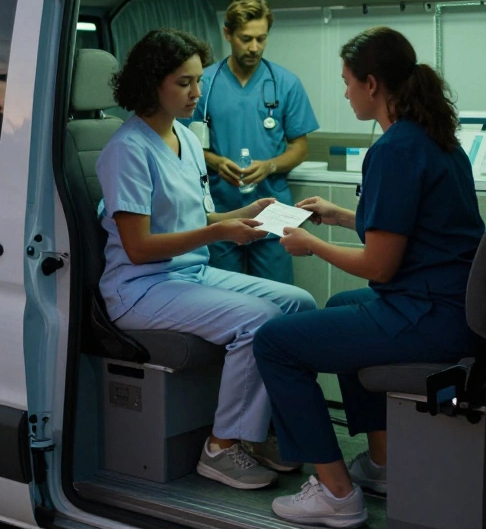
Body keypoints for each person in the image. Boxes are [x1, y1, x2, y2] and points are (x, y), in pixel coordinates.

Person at [252, 27, 485, 527]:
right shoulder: (436, 140)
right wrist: (337, 216)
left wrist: (310, 244)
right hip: (450, 308)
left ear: (373, 84)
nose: (345, 92)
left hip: (426, 315)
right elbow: (417, 231)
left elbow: (380, 266)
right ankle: (382, 463)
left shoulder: (394, 149)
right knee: (339, 309)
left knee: (274, 342)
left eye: (347, 82)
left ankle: (336, 494)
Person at [96, 28, 319, 490]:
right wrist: (218, 231)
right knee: (258, 320)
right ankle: (221, 448)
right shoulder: (127, 150)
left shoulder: (187, 138)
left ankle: (256, 435)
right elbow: (137, 246)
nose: (198, 92)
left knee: (299, 304)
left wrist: (246, 214)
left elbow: (199, 215)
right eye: (184, 83)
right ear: (151, 83)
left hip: (188, 273)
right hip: (139, 288)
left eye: (198, 81)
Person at [191, 0, 319, 284]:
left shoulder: (286, 83)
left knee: (279, 295)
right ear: (227, 34)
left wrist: (270, 166)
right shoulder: (203, 84)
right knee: (224, 299)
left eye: (261, 39)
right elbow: (187, 146)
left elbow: (300, 148)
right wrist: (216, 162)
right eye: (245, 38)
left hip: (273, 211)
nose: (254, 47)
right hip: (221, 210)